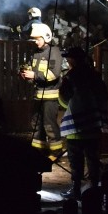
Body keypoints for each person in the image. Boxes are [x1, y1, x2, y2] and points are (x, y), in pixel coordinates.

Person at [58, 46, 108, 200]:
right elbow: (103, 96)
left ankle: (76, 189)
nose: (67, 60)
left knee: (76, 159)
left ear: (72, 59)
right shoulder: (95, 75)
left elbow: (63, 99)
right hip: (93, 123)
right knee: (93, 158)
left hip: (75, 125)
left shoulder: (70, 77)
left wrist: (73, 107)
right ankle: (94, 188)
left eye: (68, 58)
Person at [21, 22, 64, 157]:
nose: (35, 42)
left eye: (38, 39)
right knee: (37, 124)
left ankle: (56, 151)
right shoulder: (36, 53)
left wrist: (34, 75)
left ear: (46, 37)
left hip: (50, 97)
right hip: (38, 95)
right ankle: (38, 151)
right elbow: (33, 70)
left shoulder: (54, 52)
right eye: (34, 39)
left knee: (49, 124)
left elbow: (53, 74)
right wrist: (26, 74)